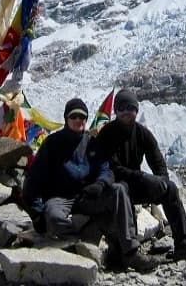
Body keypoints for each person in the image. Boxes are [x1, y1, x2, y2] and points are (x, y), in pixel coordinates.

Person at [23, 98, 158, 273]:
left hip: (86, 196)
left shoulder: (92, 143)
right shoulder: (52, 143)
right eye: (74, 116)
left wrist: (100, 184)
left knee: (119, 189)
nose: (79, 120)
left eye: (83, 117)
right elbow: (33, 180)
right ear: (66, 118)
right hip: (59, 198)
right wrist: (37, 214)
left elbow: (106, 170)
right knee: (53, 216)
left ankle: (130, 251)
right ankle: (82, 240)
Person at [94, 89, 186, 262]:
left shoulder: (143, 133)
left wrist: (162, 182)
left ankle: (184, 245)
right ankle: (130, 252)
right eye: (121, 108)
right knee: (122, 189)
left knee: (171, 189)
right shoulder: (106, 134)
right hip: (114, 188)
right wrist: (143, 177)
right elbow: (112, 169)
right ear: (115, 111)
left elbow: (158, 162)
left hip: (135, 183)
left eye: (130, 108)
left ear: (136, 111)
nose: (126, 112)